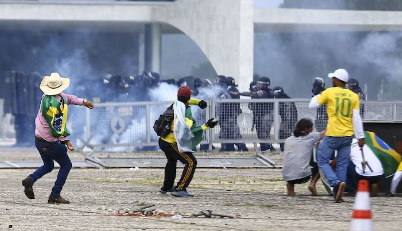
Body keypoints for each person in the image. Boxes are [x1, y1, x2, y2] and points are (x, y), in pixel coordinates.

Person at [21, 73, 94, 204]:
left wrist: (83, 102)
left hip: (39, 140)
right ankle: (55, 194)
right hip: (50, 142)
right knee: (66, 165)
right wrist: (66, 141)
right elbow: (56, 127)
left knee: (48, 165)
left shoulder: (49, 97)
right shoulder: (53, 106)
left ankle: (30, 180)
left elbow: (69, 98)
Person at [309, 69, 365, 203]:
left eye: (333, 78)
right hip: (347, 136)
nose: (332, 80)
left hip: (333, 134)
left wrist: (320, 95)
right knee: (342, 165)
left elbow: (312, 106)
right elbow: (356, 119)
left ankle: (335, 183)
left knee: (322, 160)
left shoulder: (329, 92)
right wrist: (360, 137)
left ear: (338, 80)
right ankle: (338, 193)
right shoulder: (353, 96)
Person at [158, 86, 218, 197]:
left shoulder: (175, 104)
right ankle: (180, 188)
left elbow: (186, 100)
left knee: (172, 161)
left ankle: (167, 187)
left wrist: (199, 102)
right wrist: (207, 126)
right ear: (188, 98)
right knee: (191, 162)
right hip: (171, 143)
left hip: (163, 140)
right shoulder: (185, 112)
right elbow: (188, 130)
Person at [282, 118, 325, 196]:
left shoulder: (288, 139)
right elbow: (326, 133)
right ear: (306, 129)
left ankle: (290, 186)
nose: (312, 129)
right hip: (302, 176)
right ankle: (312, 184)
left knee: (294, 160)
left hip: (286, 175)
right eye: (311, 128)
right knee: (322, 164)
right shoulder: (311, 136)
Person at [239, 76, 275, 152]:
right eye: (259, 84)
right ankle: (264, 147)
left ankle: (268, 147)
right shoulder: (261, 92)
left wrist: (239, 93)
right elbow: (251, 106)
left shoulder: (267, 92)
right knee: (260, 133)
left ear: (266, 85)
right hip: (259, 116)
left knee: (264, 133)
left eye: (261, 84)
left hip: (266, 116)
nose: (259, 85)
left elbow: (254, 94)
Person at [218, 76, 248, 152]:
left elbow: (222, 99)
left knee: (231, 134)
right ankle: (228, 148)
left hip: (229, 115)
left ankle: (242, 148)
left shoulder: (228, 91)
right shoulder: (234, 90)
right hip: (231, 115)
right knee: (229, 134)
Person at [273, 86, 298, 152]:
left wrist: (287, 126)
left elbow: (288, 114)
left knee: (284, 138)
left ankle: (284, 152)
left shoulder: (285, 101)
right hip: (288, 122)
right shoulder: (283, 99)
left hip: (288, 123)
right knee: (283, 138)